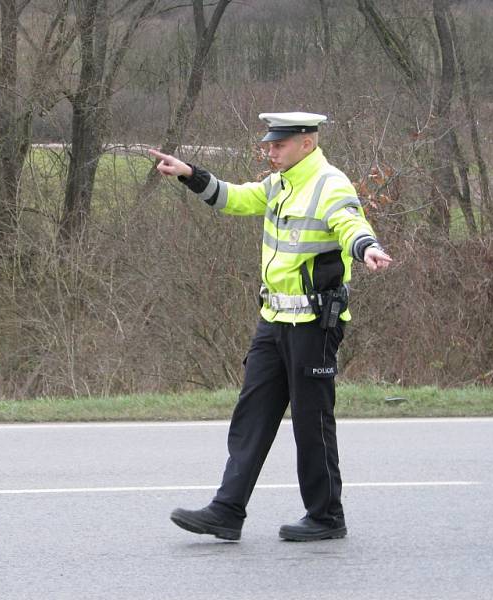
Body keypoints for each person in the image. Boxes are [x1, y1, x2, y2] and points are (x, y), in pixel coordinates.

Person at [149, 112, 392, 542]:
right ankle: (227, 510)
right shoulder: (280, 184)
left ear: (307, 143)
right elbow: (236, 198)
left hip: (314, 324)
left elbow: (351, 222)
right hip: (274, 320)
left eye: (278, 145)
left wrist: (366, 247)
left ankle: (326, 516)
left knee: (310, 421)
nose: (270, 151)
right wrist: (189, 174)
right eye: (270, 145)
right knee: (252, 415)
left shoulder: (329, 183)